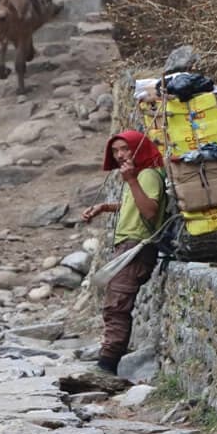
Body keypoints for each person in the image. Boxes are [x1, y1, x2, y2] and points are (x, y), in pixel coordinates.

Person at [81, 130, 166, 375]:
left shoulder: (146, 175)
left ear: (138, 149)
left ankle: (106, 366)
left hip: (137, 246)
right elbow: (134, 204)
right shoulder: (139, 175)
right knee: (115, 303)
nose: (119, 155)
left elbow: (150, 211)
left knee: (116, 305)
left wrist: (131, 181)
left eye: (124, 149)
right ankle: (108, 362)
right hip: (128, 246)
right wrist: (105, 207)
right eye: (116, 151)